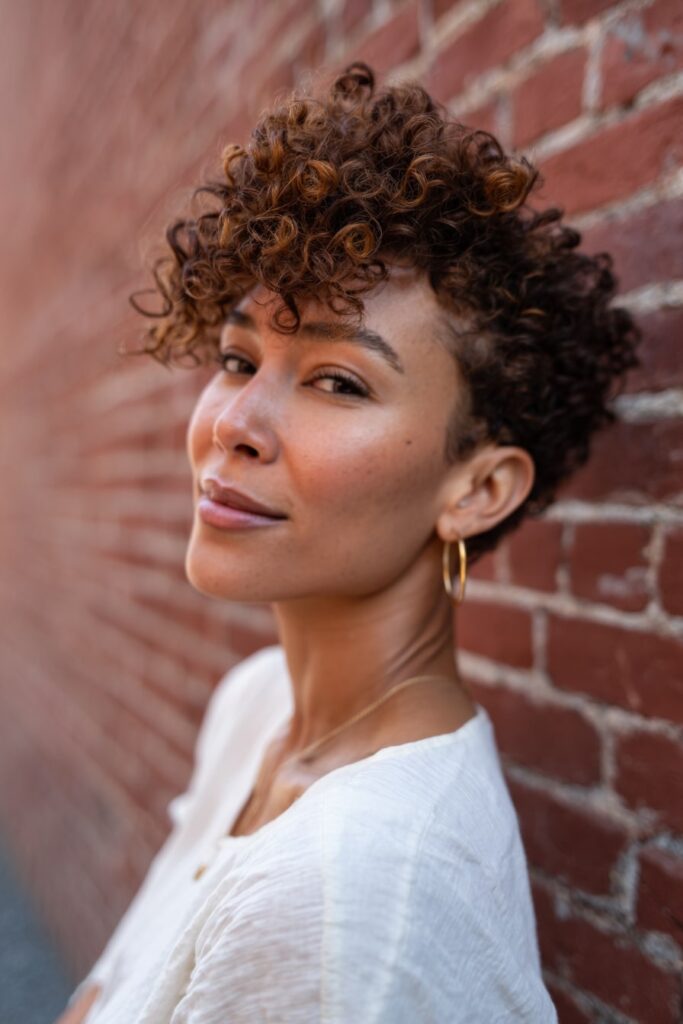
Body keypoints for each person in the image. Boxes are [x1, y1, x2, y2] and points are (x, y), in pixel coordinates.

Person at [58, 62, 640, 1023]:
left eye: (338, 381)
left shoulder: (349, 905)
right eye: (238, 358)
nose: (234, 421)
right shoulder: (260, 705)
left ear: (477, 489)